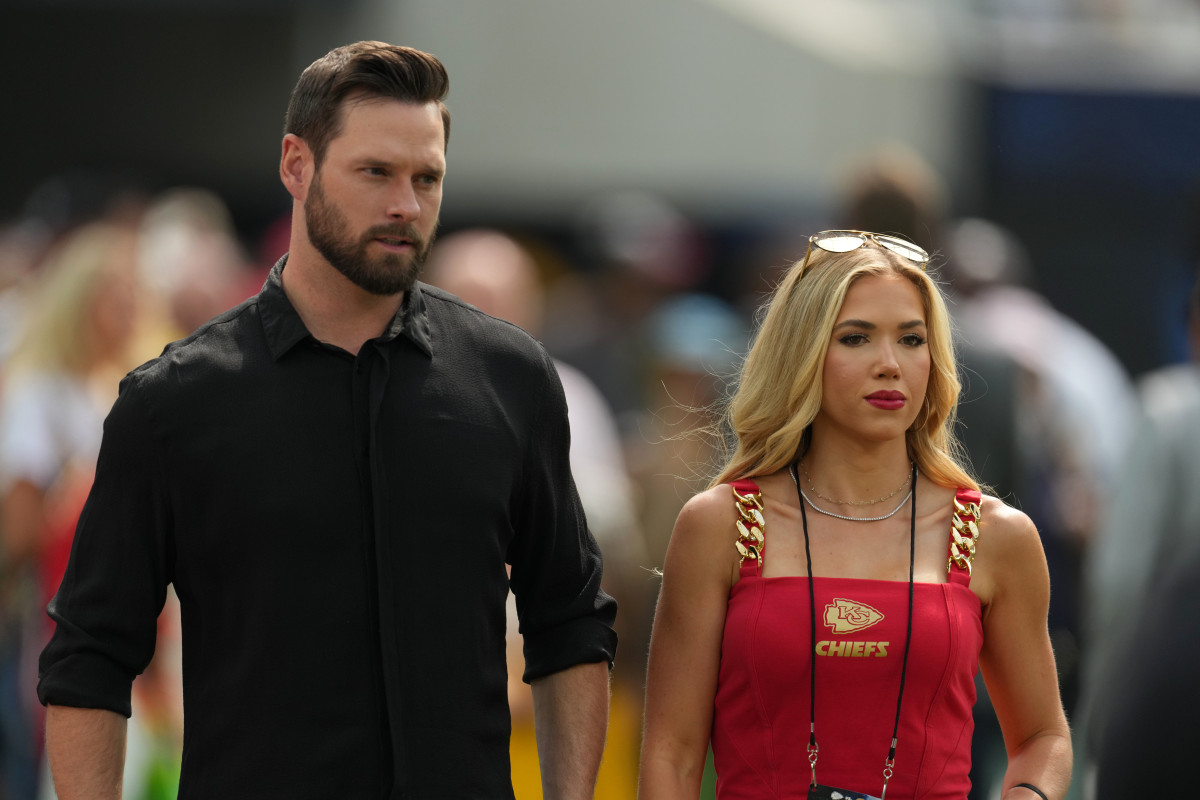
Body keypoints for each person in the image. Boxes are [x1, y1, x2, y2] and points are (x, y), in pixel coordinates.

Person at [36, 41, 617, 800]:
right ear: (295, 165)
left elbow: (569, 622)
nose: (406, 205)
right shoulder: (173, 401)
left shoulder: (511, 378)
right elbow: (89, 657)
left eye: (427, 178)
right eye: (375, 172)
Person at [638, 231, 1071, 799]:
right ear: (804, 353)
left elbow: (1044, 738)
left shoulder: (995, 535)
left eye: (912, 339)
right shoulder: (721, 525)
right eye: (856, 338)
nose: (889, 364)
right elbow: (672, 752)